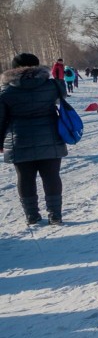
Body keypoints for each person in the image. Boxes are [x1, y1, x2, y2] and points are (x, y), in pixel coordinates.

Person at [0, 53, 68, 225]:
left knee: (24, 177)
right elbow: (63, 98)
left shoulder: (6, 91)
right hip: (50, 135)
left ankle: (32, 215)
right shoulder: (51, 85)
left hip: (19, 139)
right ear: (37, 66)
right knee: (52, 176)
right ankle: (55, 215)